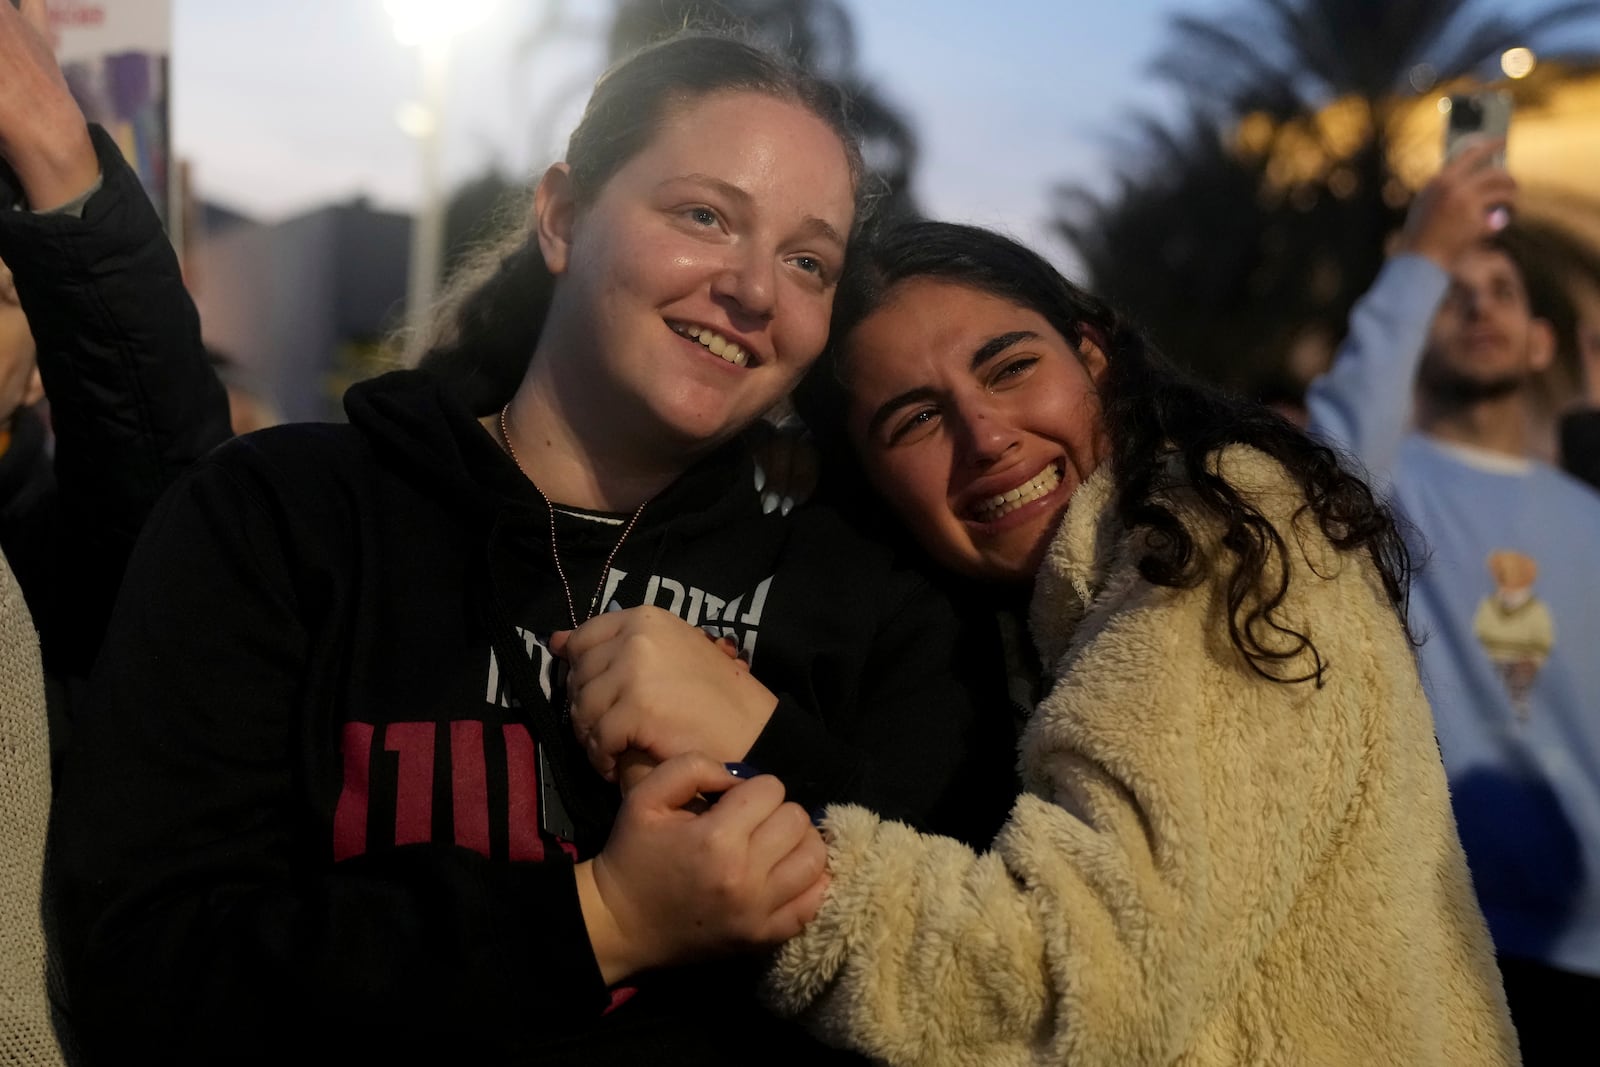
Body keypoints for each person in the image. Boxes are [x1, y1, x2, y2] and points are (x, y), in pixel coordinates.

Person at [46, 28, 1017, 1065]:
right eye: (703, 214)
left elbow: (975, 965)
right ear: (560, 215)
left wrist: (763, 734)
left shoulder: (872, 590)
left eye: (806, 260)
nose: (753, 289)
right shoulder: (285, 518)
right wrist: (600, 918)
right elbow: (144, 975)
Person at [565, 218, 1518, 1064]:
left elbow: (1084, 985)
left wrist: (739, 827)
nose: (986, 436)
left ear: (1093, 359)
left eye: (1010, 366)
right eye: (917, 418)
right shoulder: (1049, 604)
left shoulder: (1214, 533)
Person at [1303, 140, 1600, 1062]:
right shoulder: (1383, 490)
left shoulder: (1590, 517)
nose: (1479, 307)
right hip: (1443, 933)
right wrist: (1422, 254)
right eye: (1455, 295)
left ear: (1542, 340)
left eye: (1503, 293)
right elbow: (1341, 443)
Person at [0, 0, 231, 771]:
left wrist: (56, 148)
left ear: (44, 370)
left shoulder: (60, 572)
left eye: (4, 296)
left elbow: (164, 502)